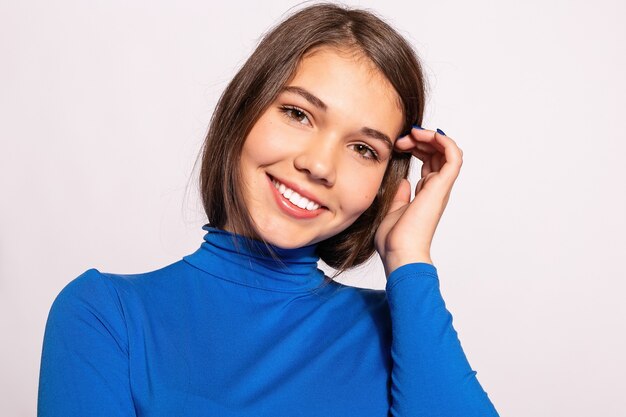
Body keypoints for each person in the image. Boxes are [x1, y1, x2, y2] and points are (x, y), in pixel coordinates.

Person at [37, 3, 500, 416]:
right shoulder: (106, 316)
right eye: (298, 114)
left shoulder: (403, 334)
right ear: (243, 110)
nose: (319, 165)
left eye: (363, 148)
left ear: (384, 183)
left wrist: (408, 259)